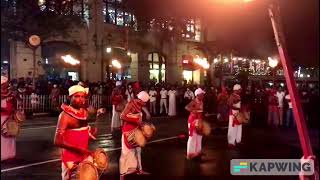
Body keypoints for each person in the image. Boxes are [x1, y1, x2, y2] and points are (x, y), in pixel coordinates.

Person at [53, 85, 99, 180]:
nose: (80, 99)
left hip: (84, 154)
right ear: (70, 97)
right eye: (77, 96)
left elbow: (82, 131)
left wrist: (91, 133)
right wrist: (78, 149)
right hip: (71, 158)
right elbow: (57, 141)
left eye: (82, 97)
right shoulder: (64, 115)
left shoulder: (84, 112)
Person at [119, 91, 150, 178]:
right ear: (141, 100)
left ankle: (140, 170)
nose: (145, 104)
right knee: (124, 154)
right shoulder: (130, 104)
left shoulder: (139, 105)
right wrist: (136, 119)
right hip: (127, 132)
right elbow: (122, 116)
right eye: (145, 102)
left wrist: (143, 126)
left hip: (136, 132)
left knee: (138, 152)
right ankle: (122, 175)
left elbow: (139, 120)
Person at [185, 88, 205, 159]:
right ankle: (190, 154)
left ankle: (198, 152)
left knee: (199, 136)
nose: (203, 95)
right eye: (202, 94)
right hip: (192, 121)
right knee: (192, 137)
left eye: (203, 94)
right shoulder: (194, 101)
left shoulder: (201, 101)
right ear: (197, 95)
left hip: (199, 121)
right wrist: (194, 110)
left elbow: (201, 112)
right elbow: (187, 107)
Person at [1, 76, 16, 161]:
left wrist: (13, 111)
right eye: (4, 84)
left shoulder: (11, 93)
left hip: (9, 117)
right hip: (1, 118)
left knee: (9, 135)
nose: (6, 85)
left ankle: (10, 154)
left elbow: (14, 104)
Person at [227, 84, 242, 148]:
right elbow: (230, 105)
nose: (241, 90)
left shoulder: (238, 95)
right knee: (232, 128)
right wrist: (238, 109)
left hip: (237, 113)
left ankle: (238, 141)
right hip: (233, 114)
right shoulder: (232, 96)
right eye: (240, 89)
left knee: (239, 127)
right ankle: (231, 143)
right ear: (237, 89)